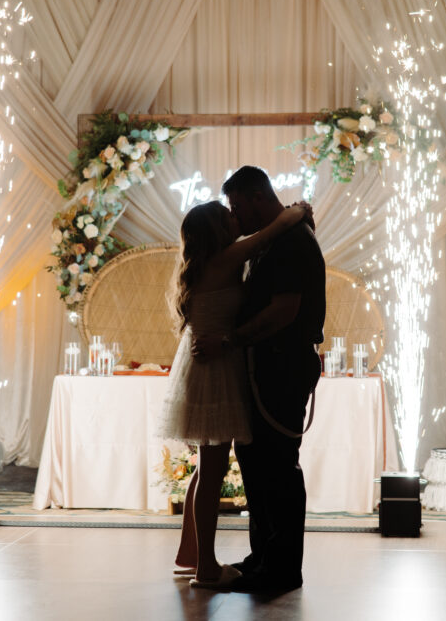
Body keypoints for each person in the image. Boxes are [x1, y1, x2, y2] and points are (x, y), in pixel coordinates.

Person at [160, 198, 311, 589]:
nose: (236, 216)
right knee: (212, 471)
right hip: (217, 371)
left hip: (207, 368)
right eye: (228, 216)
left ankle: (191, 554)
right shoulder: (225, 259)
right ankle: (206, 567)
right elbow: (274, 231)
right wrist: (297, 210)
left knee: (206, 467)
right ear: (217, 231)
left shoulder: (206, 264)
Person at [194, 165, 326, 592]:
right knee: (258, 469)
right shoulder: (273, 240)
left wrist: (231, 341)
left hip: (282, 366)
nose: (236, 217)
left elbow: (283, 311)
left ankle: (282, 569)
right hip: (263, 368)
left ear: (256, 197)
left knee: (279, 469)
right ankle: (263, 558)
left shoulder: (290, 242)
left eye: (237, 206)